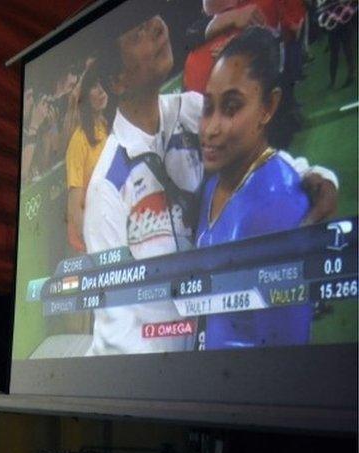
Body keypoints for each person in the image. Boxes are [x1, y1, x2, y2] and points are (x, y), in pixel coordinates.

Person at [81, 10, 337, 356]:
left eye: (155, 18)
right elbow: (118, 328)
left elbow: (256, 156)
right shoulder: (107, 187)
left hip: (205, 353)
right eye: (139, 32)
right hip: (159, 377)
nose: (158, 26)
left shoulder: (191, 111)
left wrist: (312, 176)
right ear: (118, 81)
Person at [196, 27, 313, 348]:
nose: (212, 128)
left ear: (267, 107)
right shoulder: (215, 181)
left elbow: (284, 358)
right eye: (208, 107)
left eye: (232, 107)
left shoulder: (277, 207)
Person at [65, 60, 111, 253]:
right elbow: (75, 208)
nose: (100, 91)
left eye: (101, 84)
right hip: (88, 241)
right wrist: (94, 241)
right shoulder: (78, 141)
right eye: (93, 87)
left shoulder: (104, 127)